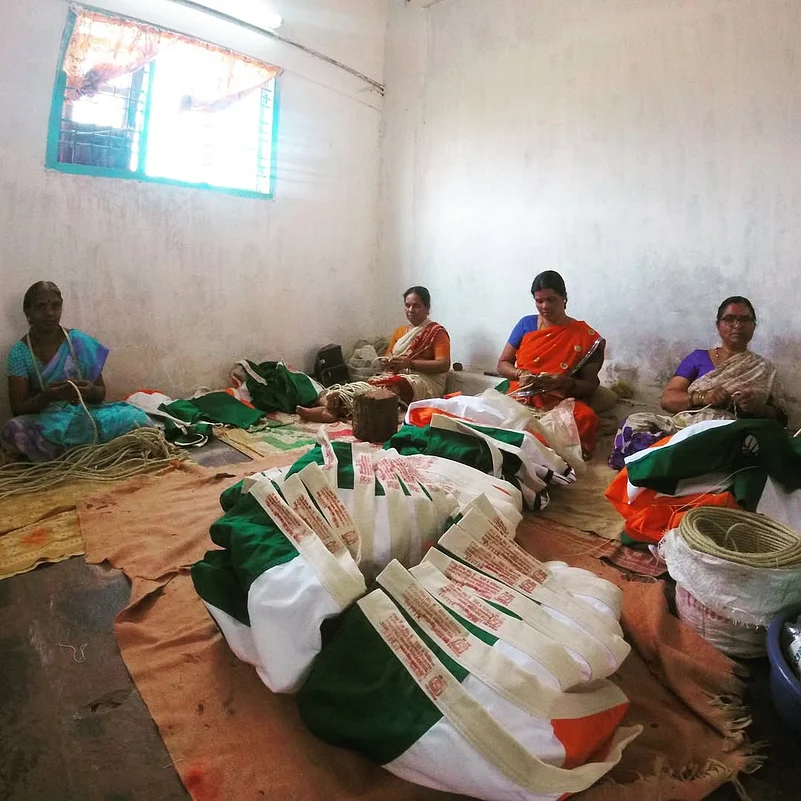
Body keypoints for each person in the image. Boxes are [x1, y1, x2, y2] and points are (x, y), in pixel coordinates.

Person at [608, 296, 787, 470]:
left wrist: (758, 408)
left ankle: (672, 464)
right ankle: (684, 463)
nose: (737, 325)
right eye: (729, 319)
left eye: (744, 320)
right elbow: (668, 399)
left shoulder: (764, 368)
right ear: (718, 326)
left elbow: (781, 419)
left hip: (731, 431)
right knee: (634, 423)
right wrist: (703, 397)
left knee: (754, 443)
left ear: (753, 326)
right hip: (685, 428)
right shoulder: (698, 358)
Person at [2, 281, 151, 462]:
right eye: (41, 307)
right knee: (13, 429)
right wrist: (48, 396)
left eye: (55, 306)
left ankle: (68, 456)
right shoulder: (19, 352)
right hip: (48, 422)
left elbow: (100, 393)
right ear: (28, 312)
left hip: (85, 415)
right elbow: (18, 409)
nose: (50, 313)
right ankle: (93, 454)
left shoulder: (78, 341)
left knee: (136, 417)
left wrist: (89, 391)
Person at [297, 286, 451, 423]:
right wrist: (388, 362)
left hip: (425, 381)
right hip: (398, 375)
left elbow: (443, 364)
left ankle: (332, 409)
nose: (410, 310)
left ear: (427, 308)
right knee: (366, 385)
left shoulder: (436, 332)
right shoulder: (400, 332)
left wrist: (410, 364)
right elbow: (390, 356)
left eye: (416, 306)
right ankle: (331, 404)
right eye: (407, 305)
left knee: (390, 387)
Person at [496, 271, 605, 455]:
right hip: (521, 393)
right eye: (539, 301)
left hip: (558, 400)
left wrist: (562, 382)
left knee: (586, 418)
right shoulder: (526, 324)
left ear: (564, 298)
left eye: (551, 299)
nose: (545, 306)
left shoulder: (585, 336)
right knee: (488, 411)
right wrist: (520, 374)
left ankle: (533, 445)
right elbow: (502, 364)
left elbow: (590, 385)